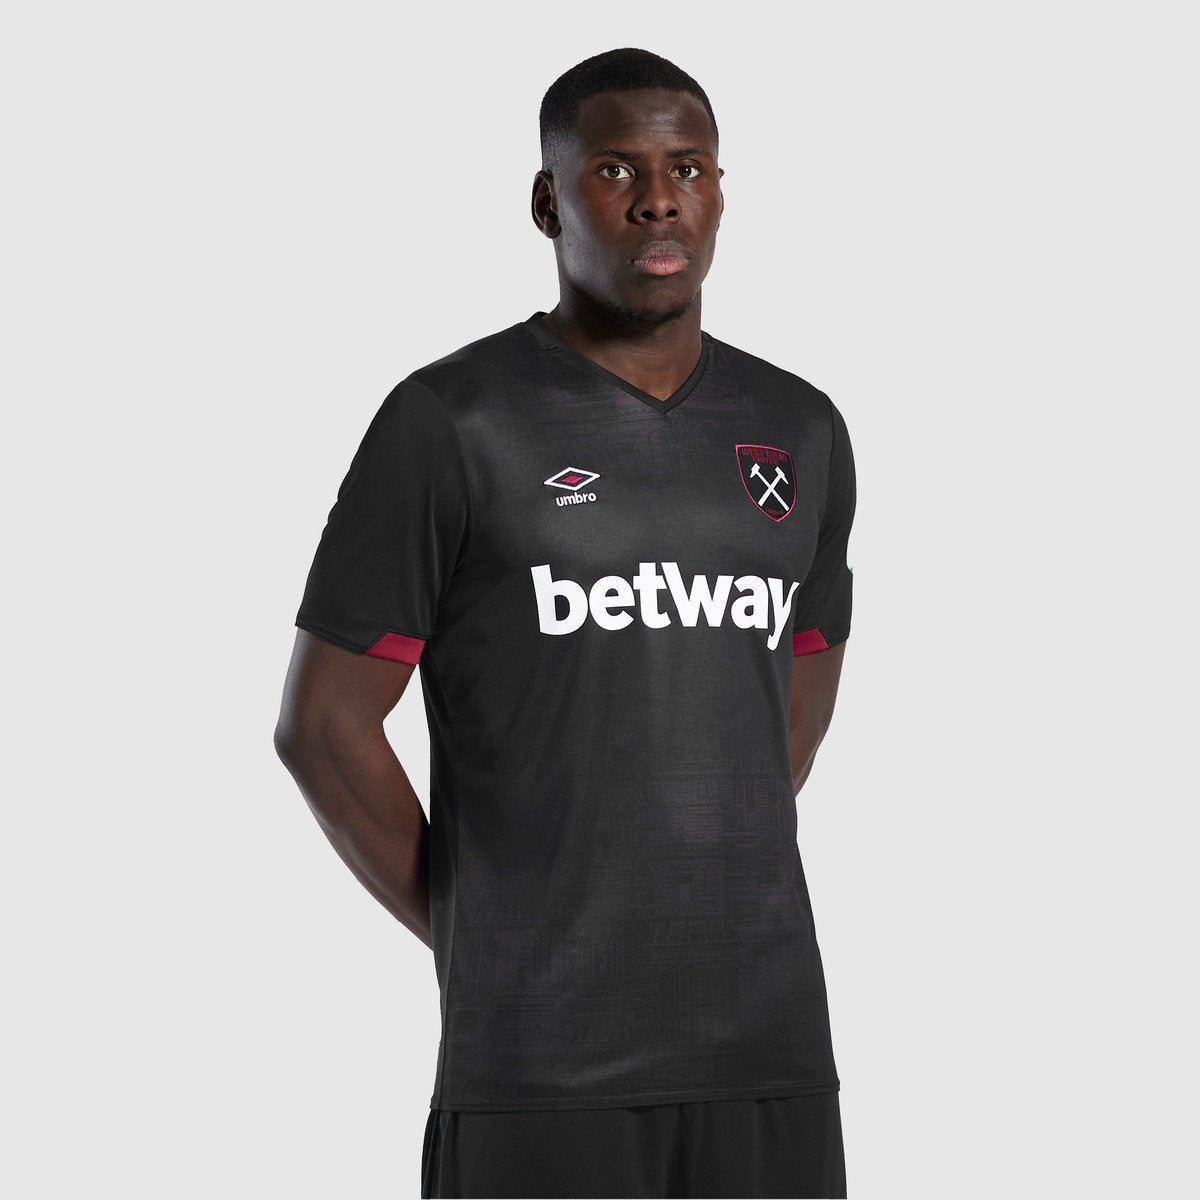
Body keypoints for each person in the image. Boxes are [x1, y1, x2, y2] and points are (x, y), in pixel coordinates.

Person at [274, 46, 857, 1199]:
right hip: (540, 1064)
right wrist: (486, 927)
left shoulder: (800, 428)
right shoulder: (451, 421)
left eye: (688, 169)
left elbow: (785, 703)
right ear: (549, 200)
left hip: (769, 1047)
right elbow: (324, 727)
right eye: (615, 170)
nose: (658, 200)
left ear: (720, 193)